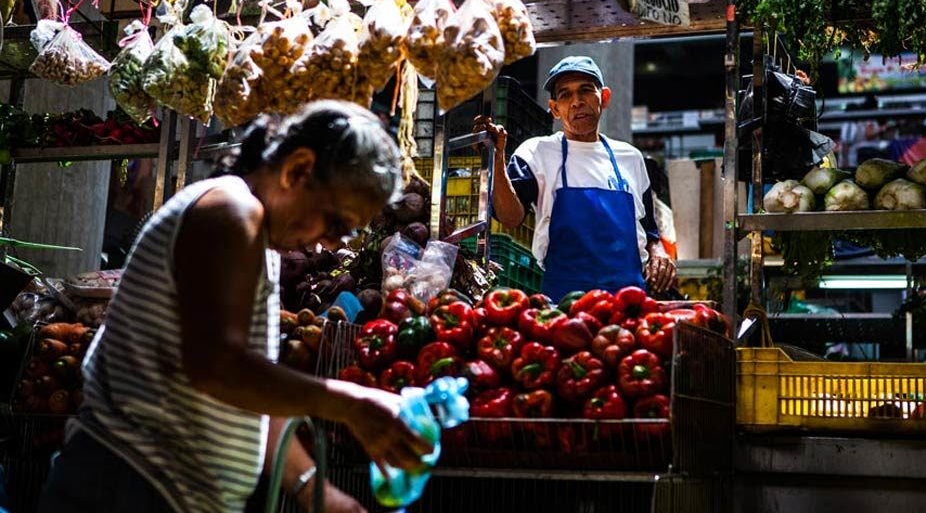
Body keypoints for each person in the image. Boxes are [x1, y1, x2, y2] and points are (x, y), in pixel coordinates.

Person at [39, 101, 432, 513]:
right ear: (298, 170)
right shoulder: (231, 211)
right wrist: (350, 404)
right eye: (335, 223)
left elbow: (250, 391)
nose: (328, 244)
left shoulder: (256, 239)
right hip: (129, 484)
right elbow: (218, 366)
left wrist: (320, 495)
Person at [474, 56, 677, 302]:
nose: (577, 102)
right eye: (565, 95)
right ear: (554, 108)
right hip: (564, 303)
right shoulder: (537, 152)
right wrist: (497, 158)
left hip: (629, 302)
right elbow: (510, 217)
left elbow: (649, 231)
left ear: (604, 97)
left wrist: (659, 254)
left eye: (585, 91)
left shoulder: (631, 158)